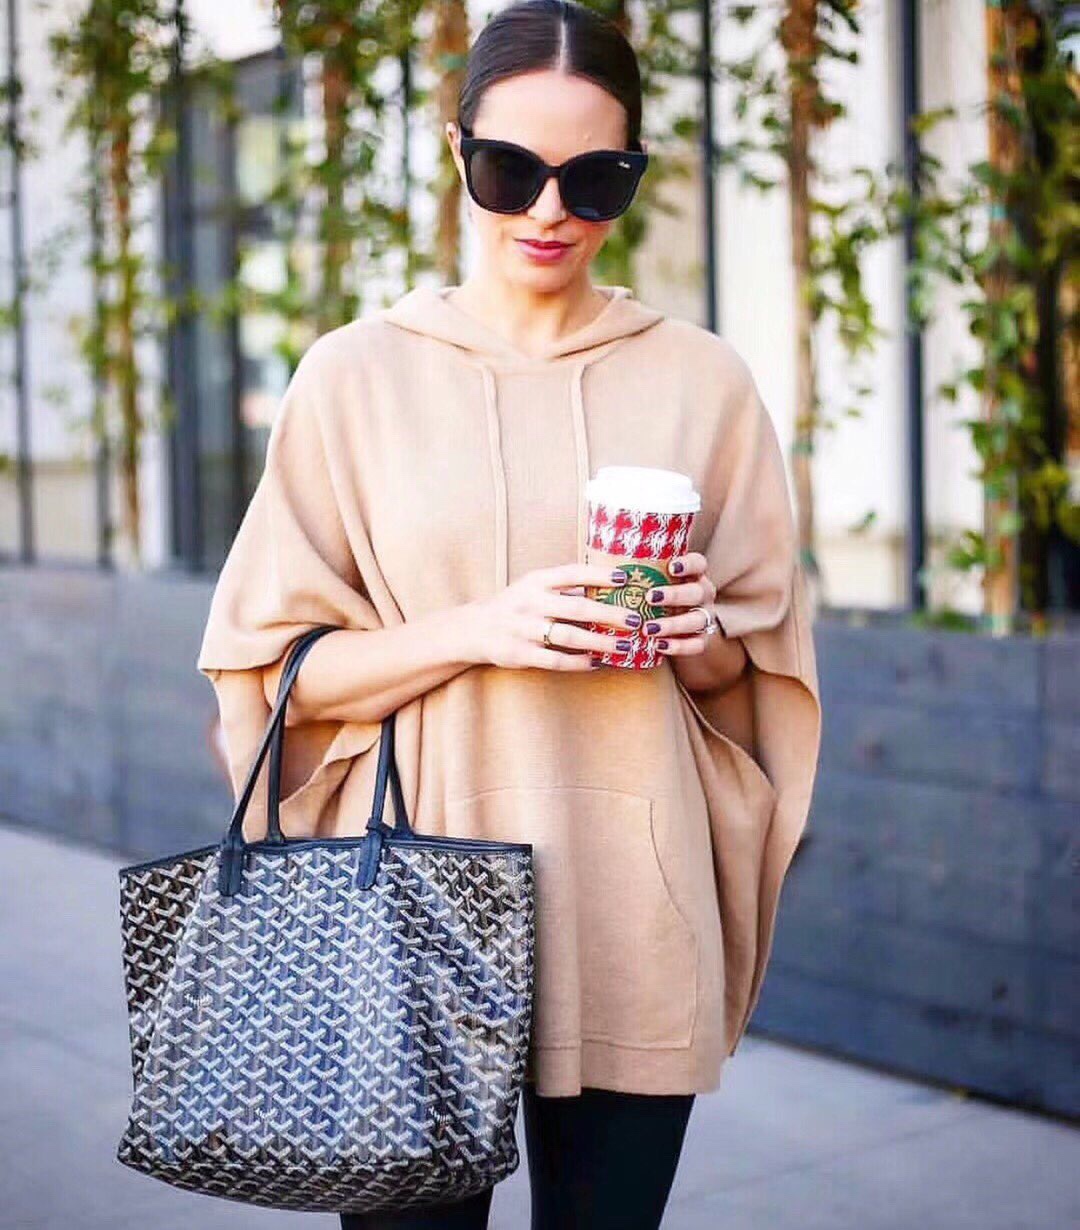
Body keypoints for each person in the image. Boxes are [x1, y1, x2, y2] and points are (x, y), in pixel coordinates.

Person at [196, 2, 822, 1227]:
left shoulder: (704, 381)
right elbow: (273, 675)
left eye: (594, 180)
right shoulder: (355, 376)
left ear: (633, 173)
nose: (548, 211)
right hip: (405, 906)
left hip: (635, 899)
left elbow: (755, 693)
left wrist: (700, 635)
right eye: (509, 169)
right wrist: (480, 629)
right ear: (457, 152)